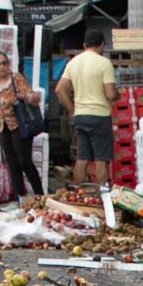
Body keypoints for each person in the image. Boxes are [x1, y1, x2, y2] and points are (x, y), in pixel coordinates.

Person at [55, 30, 118, 184]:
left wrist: (72, 110)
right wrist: (118, 95)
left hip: (80, 116)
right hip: (100, 116)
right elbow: (110, 94)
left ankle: (79, 195)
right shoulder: (104, 63)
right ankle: (101, 198)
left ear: (84, 45)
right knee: (100, 160)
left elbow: (59, 90)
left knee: (82, 158)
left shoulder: (73, 63)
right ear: (102, 45)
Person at [0, 51, 44, 199]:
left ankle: (40, 194)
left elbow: (30, 96)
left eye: (4, 63)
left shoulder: (16, 78)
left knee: (24, 161)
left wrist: (20, 97)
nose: (2, 67)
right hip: (3, 126)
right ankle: (20, 197)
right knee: (12, 163)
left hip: (20, 124)